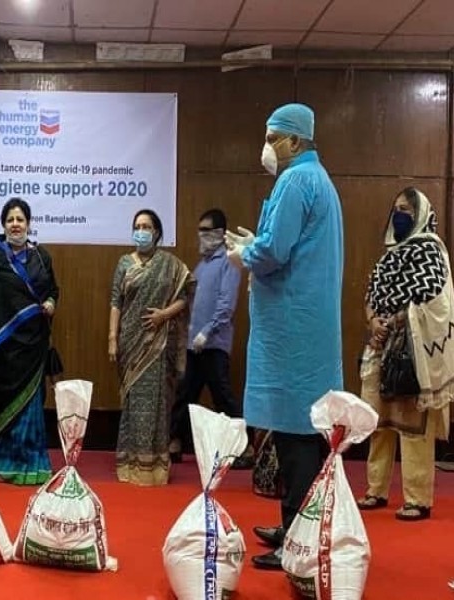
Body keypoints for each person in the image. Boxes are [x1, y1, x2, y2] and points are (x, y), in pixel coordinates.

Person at [226, 103, 344, 570]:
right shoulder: (317, 181)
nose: (268, 146)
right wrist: (256, 244)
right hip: (306, 325)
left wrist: (246, 253)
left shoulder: (296, 180)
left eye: (274, 137)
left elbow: (274, 251)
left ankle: (297, 536)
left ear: (295, 141)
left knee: (297, 433)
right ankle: (296, 522)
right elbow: (286, 243)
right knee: (303, 433)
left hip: (294, 328)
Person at [356, 187, 454, 521]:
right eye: (396, 208)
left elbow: (435, 300)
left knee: (414, 426)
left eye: (406, 209)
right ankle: (376, 489)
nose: (399, 215)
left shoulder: (431, 250)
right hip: (381, 346)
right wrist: (374, 321)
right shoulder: (389, 255)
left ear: (421, 215)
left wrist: (399, 320)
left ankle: (418, 498)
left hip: (413, 350)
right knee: (378, 421)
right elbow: (370, 295)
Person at [0, 198, 59, 485]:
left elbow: (53, 290)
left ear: (29, 224)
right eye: (10, 219)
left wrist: (50, 302)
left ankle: (33, 464)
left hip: (33, 346)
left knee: (31, 406)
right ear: (3, 224)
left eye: (20, 219)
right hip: (5, 350)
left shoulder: (41, 256)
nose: (15, 224)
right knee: (8, 403)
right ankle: (7, 462)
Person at [109, 209, 193, 486]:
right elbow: (116, 302)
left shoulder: (169, 264)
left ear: (157, 232)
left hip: (157, 345)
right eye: (137, 226)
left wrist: (163, 315)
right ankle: (129, 464)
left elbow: (185, 296)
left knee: (155, 402)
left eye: (146, 226)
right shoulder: (124, 263)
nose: (141, 231)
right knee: (132, 403)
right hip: (129, 343)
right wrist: (112, 338)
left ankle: (153, 467)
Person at [168, 208, 249, 467]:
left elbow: (226, 304)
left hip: (214, 344)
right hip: (195, 344)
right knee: (185, 394)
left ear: (220, 233)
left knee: (222, 396)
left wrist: (208, 331)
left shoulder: (229, 261)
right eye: (200, 230)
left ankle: (245, 448)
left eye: (207, 231)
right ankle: (174, 441)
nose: (202, 236)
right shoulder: (201, 265)